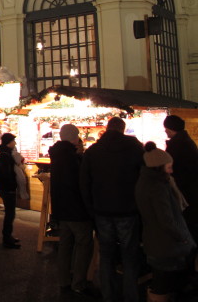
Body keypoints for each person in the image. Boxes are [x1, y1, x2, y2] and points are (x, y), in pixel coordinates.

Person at [80, 117, 143, 302]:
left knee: (106, 255)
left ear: (107, 129)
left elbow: (84, 183)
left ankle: (108, 295)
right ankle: (130, 296)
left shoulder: (93, 151)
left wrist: (91, 209)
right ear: (123, 129)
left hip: (102, 211)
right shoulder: (134, 148)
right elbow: (143, 176)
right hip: (128, 210)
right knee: (129, 255)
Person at [136, 142, 196, 301]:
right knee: (165, 284)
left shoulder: (145, 182)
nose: (172, 171)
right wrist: (182, 237)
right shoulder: (158, 188)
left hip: (155, 241)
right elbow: (166, 219)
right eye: (169, 167)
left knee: (161, 281)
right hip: (165, 244)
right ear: (158, 167)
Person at [48, 124, 94, 297]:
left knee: (65, 245)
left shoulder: (57, 154)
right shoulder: (72, 157)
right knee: (83, 244)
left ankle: (64, 280)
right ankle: (79, 283)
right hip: (76, 209)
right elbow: (80, 184)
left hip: (61, 208)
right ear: (74, 137)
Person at [163, 115, 198, 243]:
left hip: (185, 194)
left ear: (171, 129)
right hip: (189, 193)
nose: (165, 131)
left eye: (166, 128)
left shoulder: (178, 145)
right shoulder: (185, 142)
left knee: (188, 227)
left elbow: (179, 171)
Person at [0, 133, 21, 249]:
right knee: (10, 213)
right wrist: (12, 184)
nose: (15, 143)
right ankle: (7, 238)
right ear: (9, 142)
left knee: (10, 213)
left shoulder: (5, 153)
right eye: (13, 141)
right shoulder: (5, 155)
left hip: (5, 186)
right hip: (7, 187)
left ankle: (8, 236)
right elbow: (6, 173)